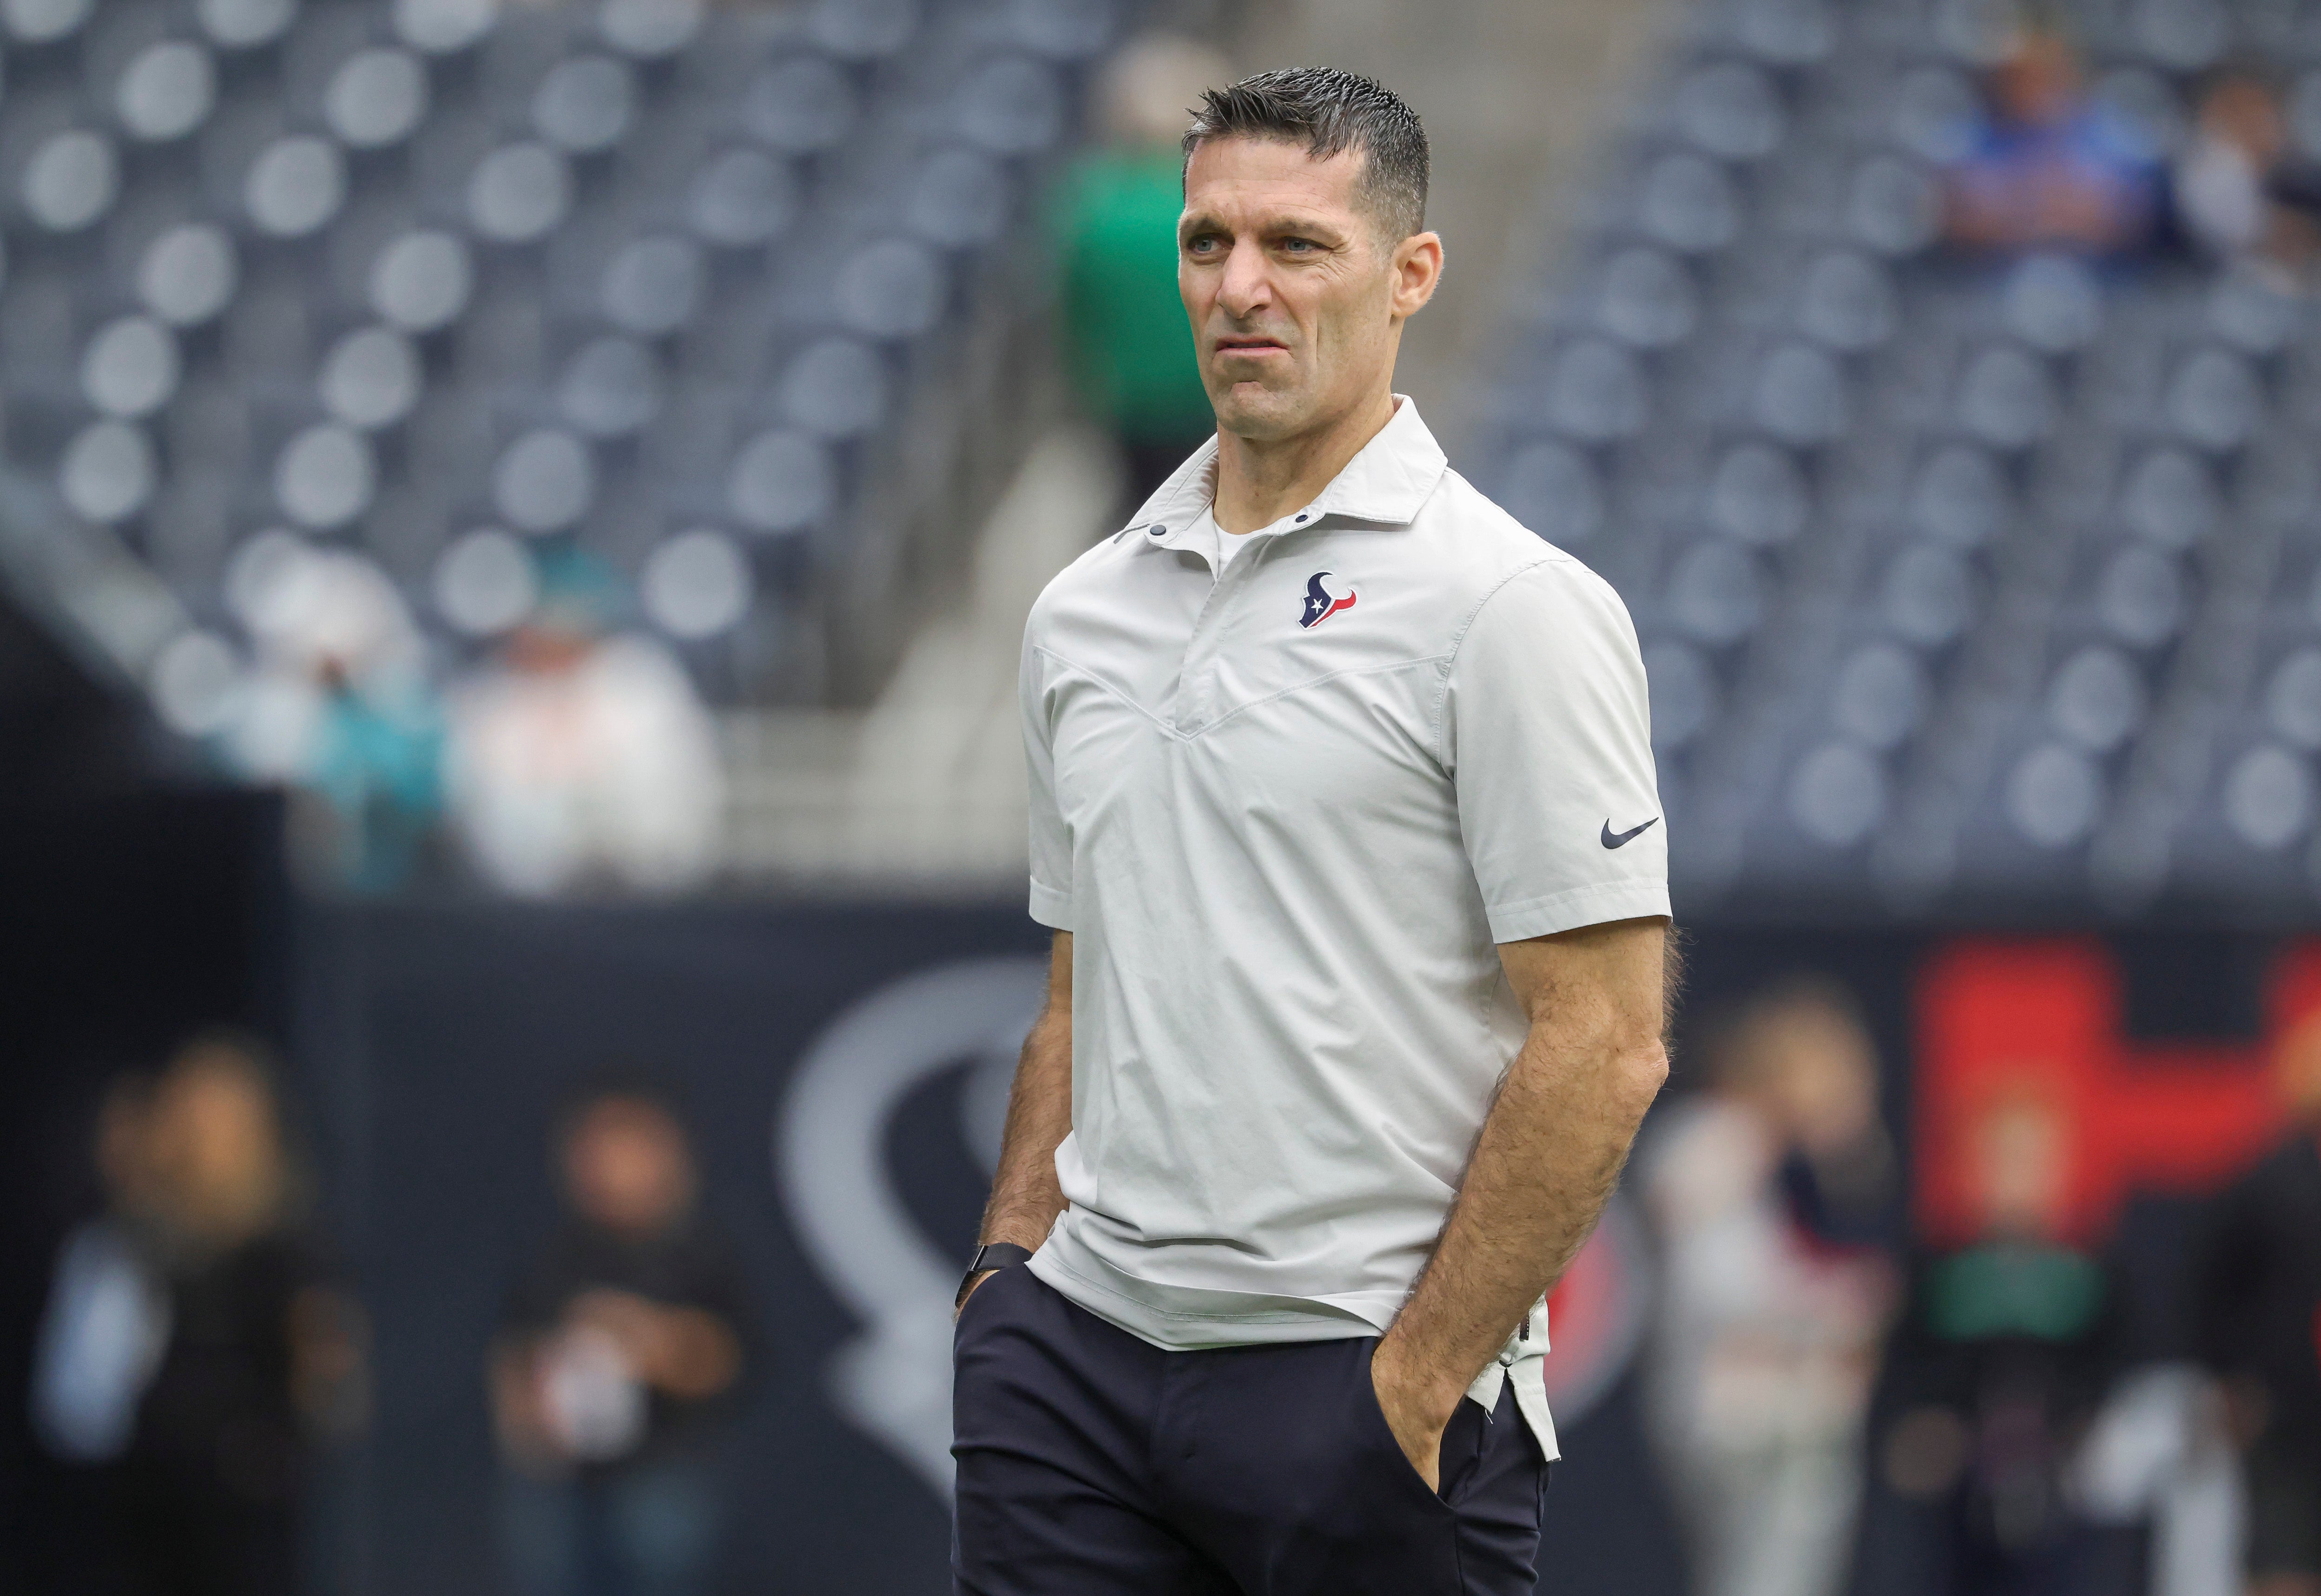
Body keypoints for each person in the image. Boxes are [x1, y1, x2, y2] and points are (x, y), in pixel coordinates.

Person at [955, 68, 1673, 1596]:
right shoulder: (1083, 609)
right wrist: (1006, 1288)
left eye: (1296, 245)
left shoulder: (1509, 605)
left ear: (1409, 274)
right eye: (1207, 243)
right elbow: (1081, 987)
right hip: (1075, 1370)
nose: (1240, 287)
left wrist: (1414, 1383)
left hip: (1354, 1378)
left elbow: (1606, 1041)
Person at [1640, 978, 1898, 1596]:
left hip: (1796, 1406)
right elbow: (1714, 1287)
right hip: (1738, 1406)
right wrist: (1837, 1301)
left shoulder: (1807, 1161)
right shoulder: (1709, 1141)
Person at [116, 1036, 365, 1596]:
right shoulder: (151, 1243)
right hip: (151, 1493)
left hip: (241, 1504)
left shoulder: (287, 1252)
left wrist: (274, 1449)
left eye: (212, 1118)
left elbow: (329, 1376)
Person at [1859, 1083, 2130, 1596]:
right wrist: (1916, 1429)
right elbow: (1904, 1367)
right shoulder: (1938, 1266)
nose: (2012, 1178)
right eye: (1996, 1161)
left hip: (2064, 1481)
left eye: (2028, 1161)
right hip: (1955, 1486)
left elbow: (2118, 1365)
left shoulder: (2092, 1268)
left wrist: (2080, 1428)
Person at [492, 1084, 753, 1596]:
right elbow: (515, 1352)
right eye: (594, 1150)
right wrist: (526, 1422)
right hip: (560, 1484)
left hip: (660, 1478)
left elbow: (728, 1360)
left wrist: (644, 1339)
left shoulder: (699, 1253)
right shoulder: (555, 1253)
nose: (608, 1166)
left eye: (625, 1148)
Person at [1049, 35, 1234, 509]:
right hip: (1215, 400)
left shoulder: (1091, 205)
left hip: (1128, 410)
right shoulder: (1220, 203)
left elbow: (1076, 316)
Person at [2192, 1009, 2321, 1596]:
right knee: (2281, 1567)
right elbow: (2208, 1290)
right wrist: (2227, 1381)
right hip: (2284, 1419)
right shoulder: (2266, 1186)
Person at [1942, 31, 2163, 259]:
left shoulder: (2106, 133)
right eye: (2021, 78)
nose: (2033, 89)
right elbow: (1959, 219)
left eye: (2044, 76)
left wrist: (2025, 211)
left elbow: (2134, 218)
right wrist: (2042, 214)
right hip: (1995, 271)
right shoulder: (1979, 136)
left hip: (2098, 271)